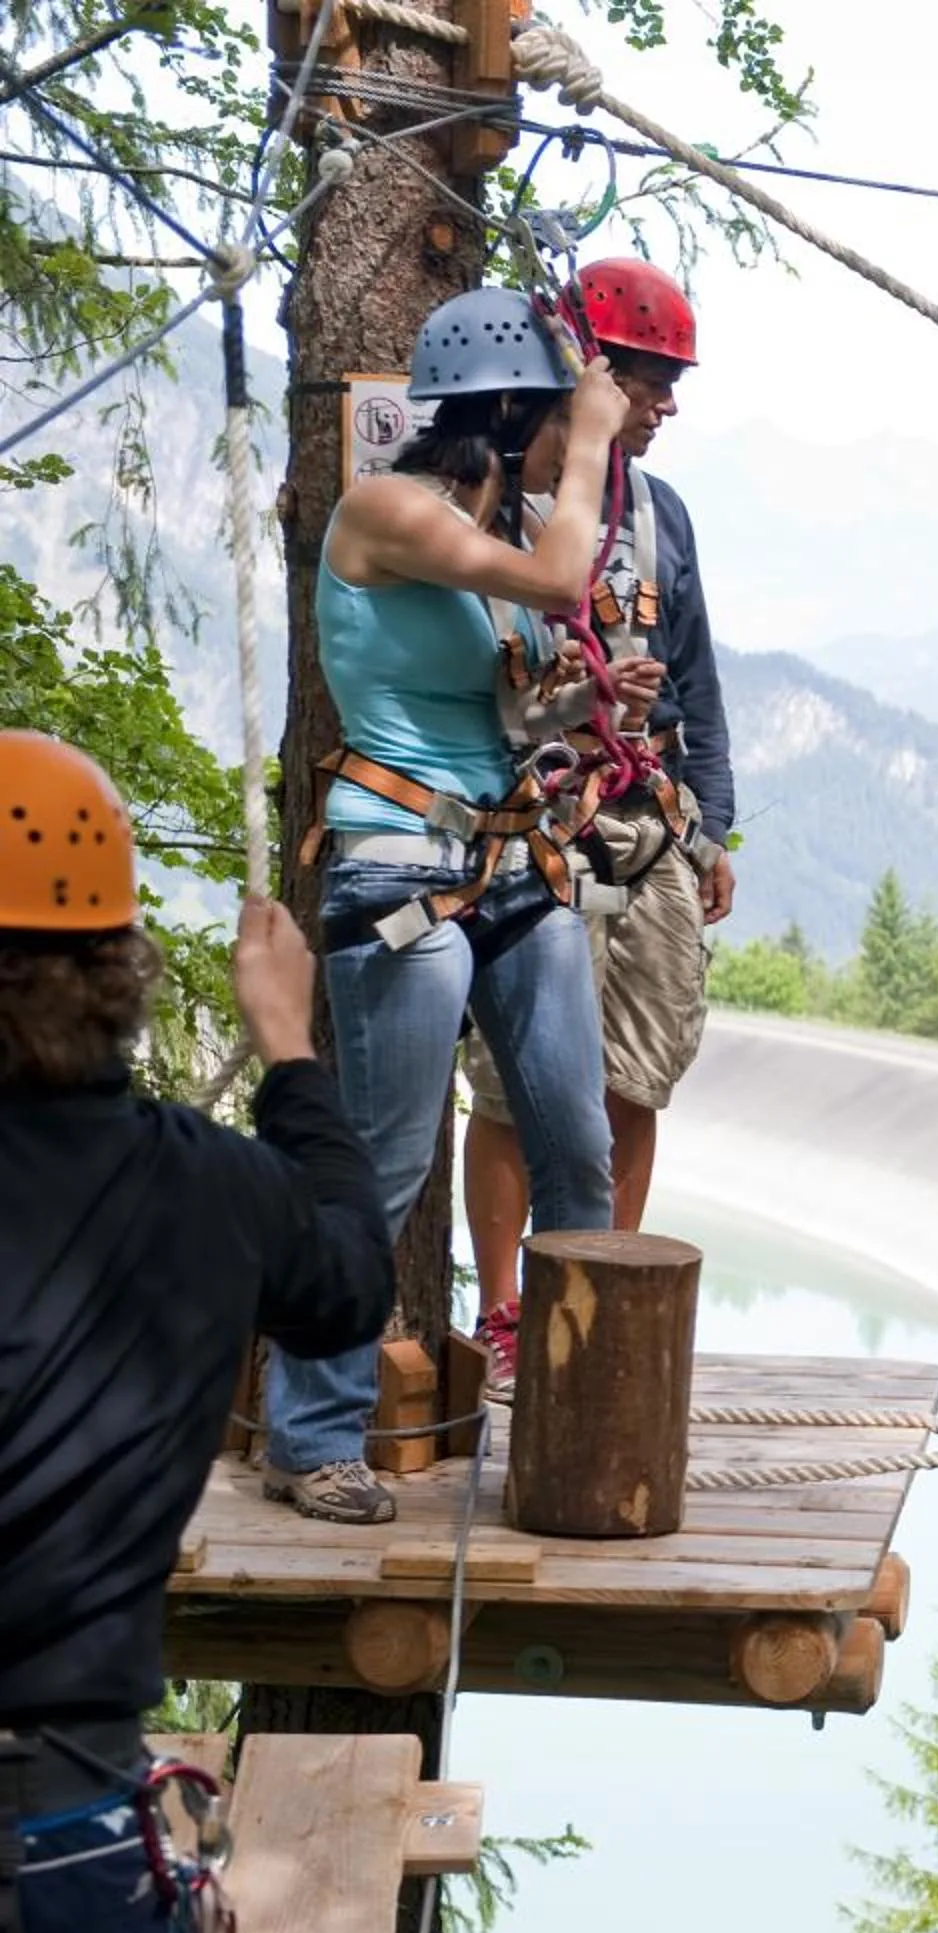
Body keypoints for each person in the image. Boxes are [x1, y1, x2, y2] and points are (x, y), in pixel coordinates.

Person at [0, 733, 395, 1933]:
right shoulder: (209, 1191)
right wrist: (288, 1051)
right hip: (71, 1854)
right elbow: (348, 1292)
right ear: (122, 964)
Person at [264, 289, 645, 1525]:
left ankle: (571, 1419)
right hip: (401, 870)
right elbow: (555, 578)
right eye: (559, 427)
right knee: (384, 1164)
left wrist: (583, 709)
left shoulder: (476, 544)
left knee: (578, 1149)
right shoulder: (390, 512)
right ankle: (311, 1435)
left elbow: (502, 713)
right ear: (518, 417)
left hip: (505, 865)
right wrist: (595, 437)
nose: (571, 450)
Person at [461, 257, 735, 1346]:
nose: (666, 403)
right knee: (506, 1083)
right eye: (650, 378)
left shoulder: (661, 514)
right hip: (536, 810)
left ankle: (605, 1299)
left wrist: (712, 826)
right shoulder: (496, 495)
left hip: (647, 812)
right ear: (589, 368)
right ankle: (500, 1308)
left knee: (639, 1073)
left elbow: (698, 676)